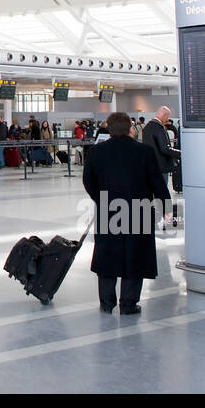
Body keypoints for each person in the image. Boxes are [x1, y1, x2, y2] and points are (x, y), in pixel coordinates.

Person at [82, 112, 171, 315]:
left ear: (109, 129)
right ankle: (128, 304)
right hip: (139, 210)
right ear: (130, 129)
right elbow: (157, 182)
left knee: (106, 254)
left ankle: (106, 302)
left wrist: (101, 199)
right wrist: (165, 207)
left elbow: (88, 181)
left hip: (109, 210)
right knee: (135, 254)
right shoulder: (144, 152)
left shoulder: (96, 152)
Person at [142, 107, 182, 195]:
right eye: (167, 117)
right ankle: (165, 208)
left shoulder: (147, 127)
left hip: (151, 165)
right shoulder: (159, 128)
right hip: (161, 166)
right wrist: (180, 153)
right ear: (165, 115)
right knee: (162, 192)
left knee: (153, 191)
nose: (167, 120)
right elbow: (165, 149)